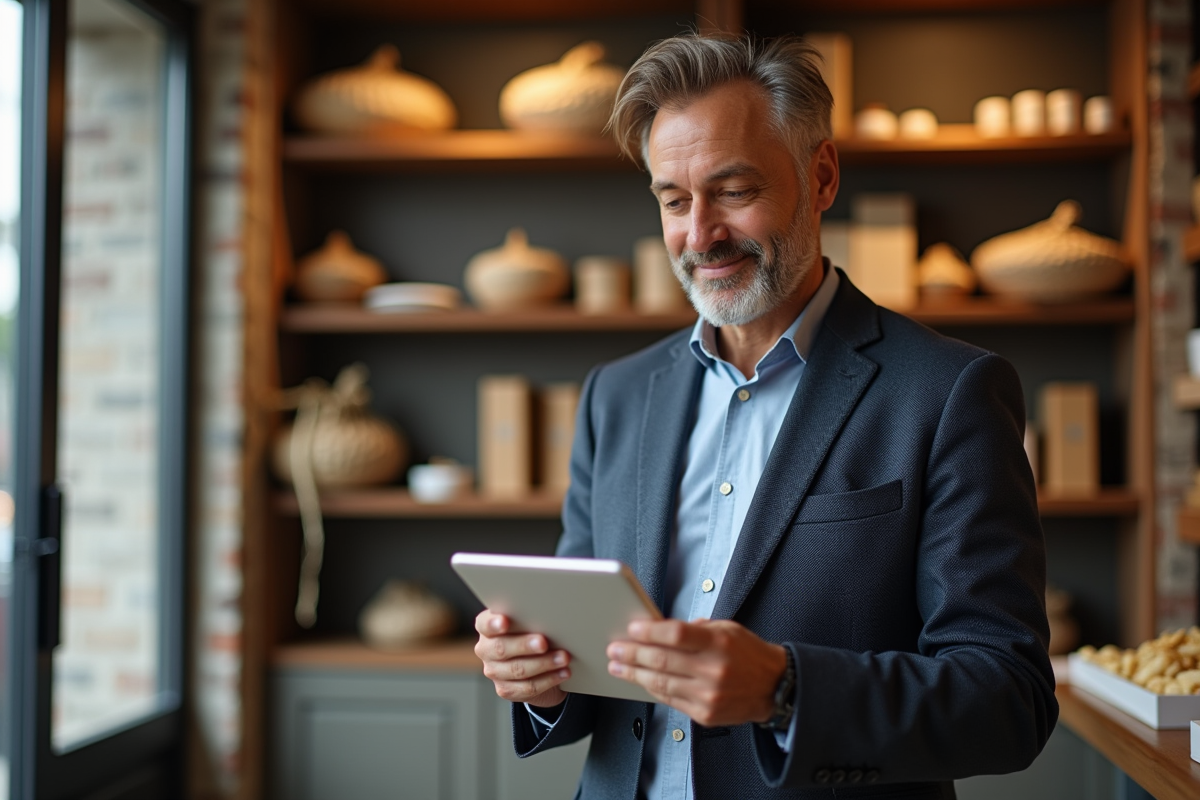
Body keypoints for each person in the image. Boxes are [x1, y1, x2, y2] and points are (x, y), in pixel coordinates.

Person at [472, 32, 1057, 799]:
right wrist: (544, 681)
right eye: (674, 201)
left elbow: (1008, 699)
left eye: (734, 191)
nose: (700, 234)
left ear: (820, 177)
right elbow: (597, 662)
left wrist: (786, 688)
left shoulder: (950, 392)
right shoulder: (614, 396)